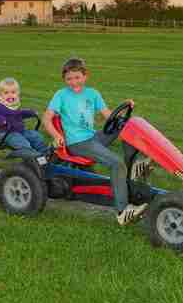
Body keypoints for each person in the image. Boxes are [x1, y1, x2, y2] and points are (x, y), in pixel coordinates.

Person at [42, 58, 148, 225]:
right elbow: (46, 119)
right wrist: (56, 136)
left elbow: (109, 116)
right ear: (64, 80)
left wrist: (127, 107)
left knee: (125, 126)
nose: (73, 82)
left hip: (92, 137)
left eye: (77, 77)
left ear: (85, 76)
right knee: (116, 163)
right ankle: (122, 211)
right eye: (69, 79)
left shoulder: (93, 93)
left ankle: (132, 167)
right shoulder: (61, 95)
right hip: (77, 143)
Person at [0, 77, 49, 157]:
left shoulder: (13, 105)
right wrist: (1, 120)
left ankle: (46, 155)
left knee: (36, 137)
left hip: (21, 131)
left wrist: (30, 113)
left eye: (13, 92)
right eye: (6, 93)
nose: (10, 95)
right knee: (23, 143)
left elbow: (19, 113)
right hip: (7, 133)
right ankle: (33, 157)